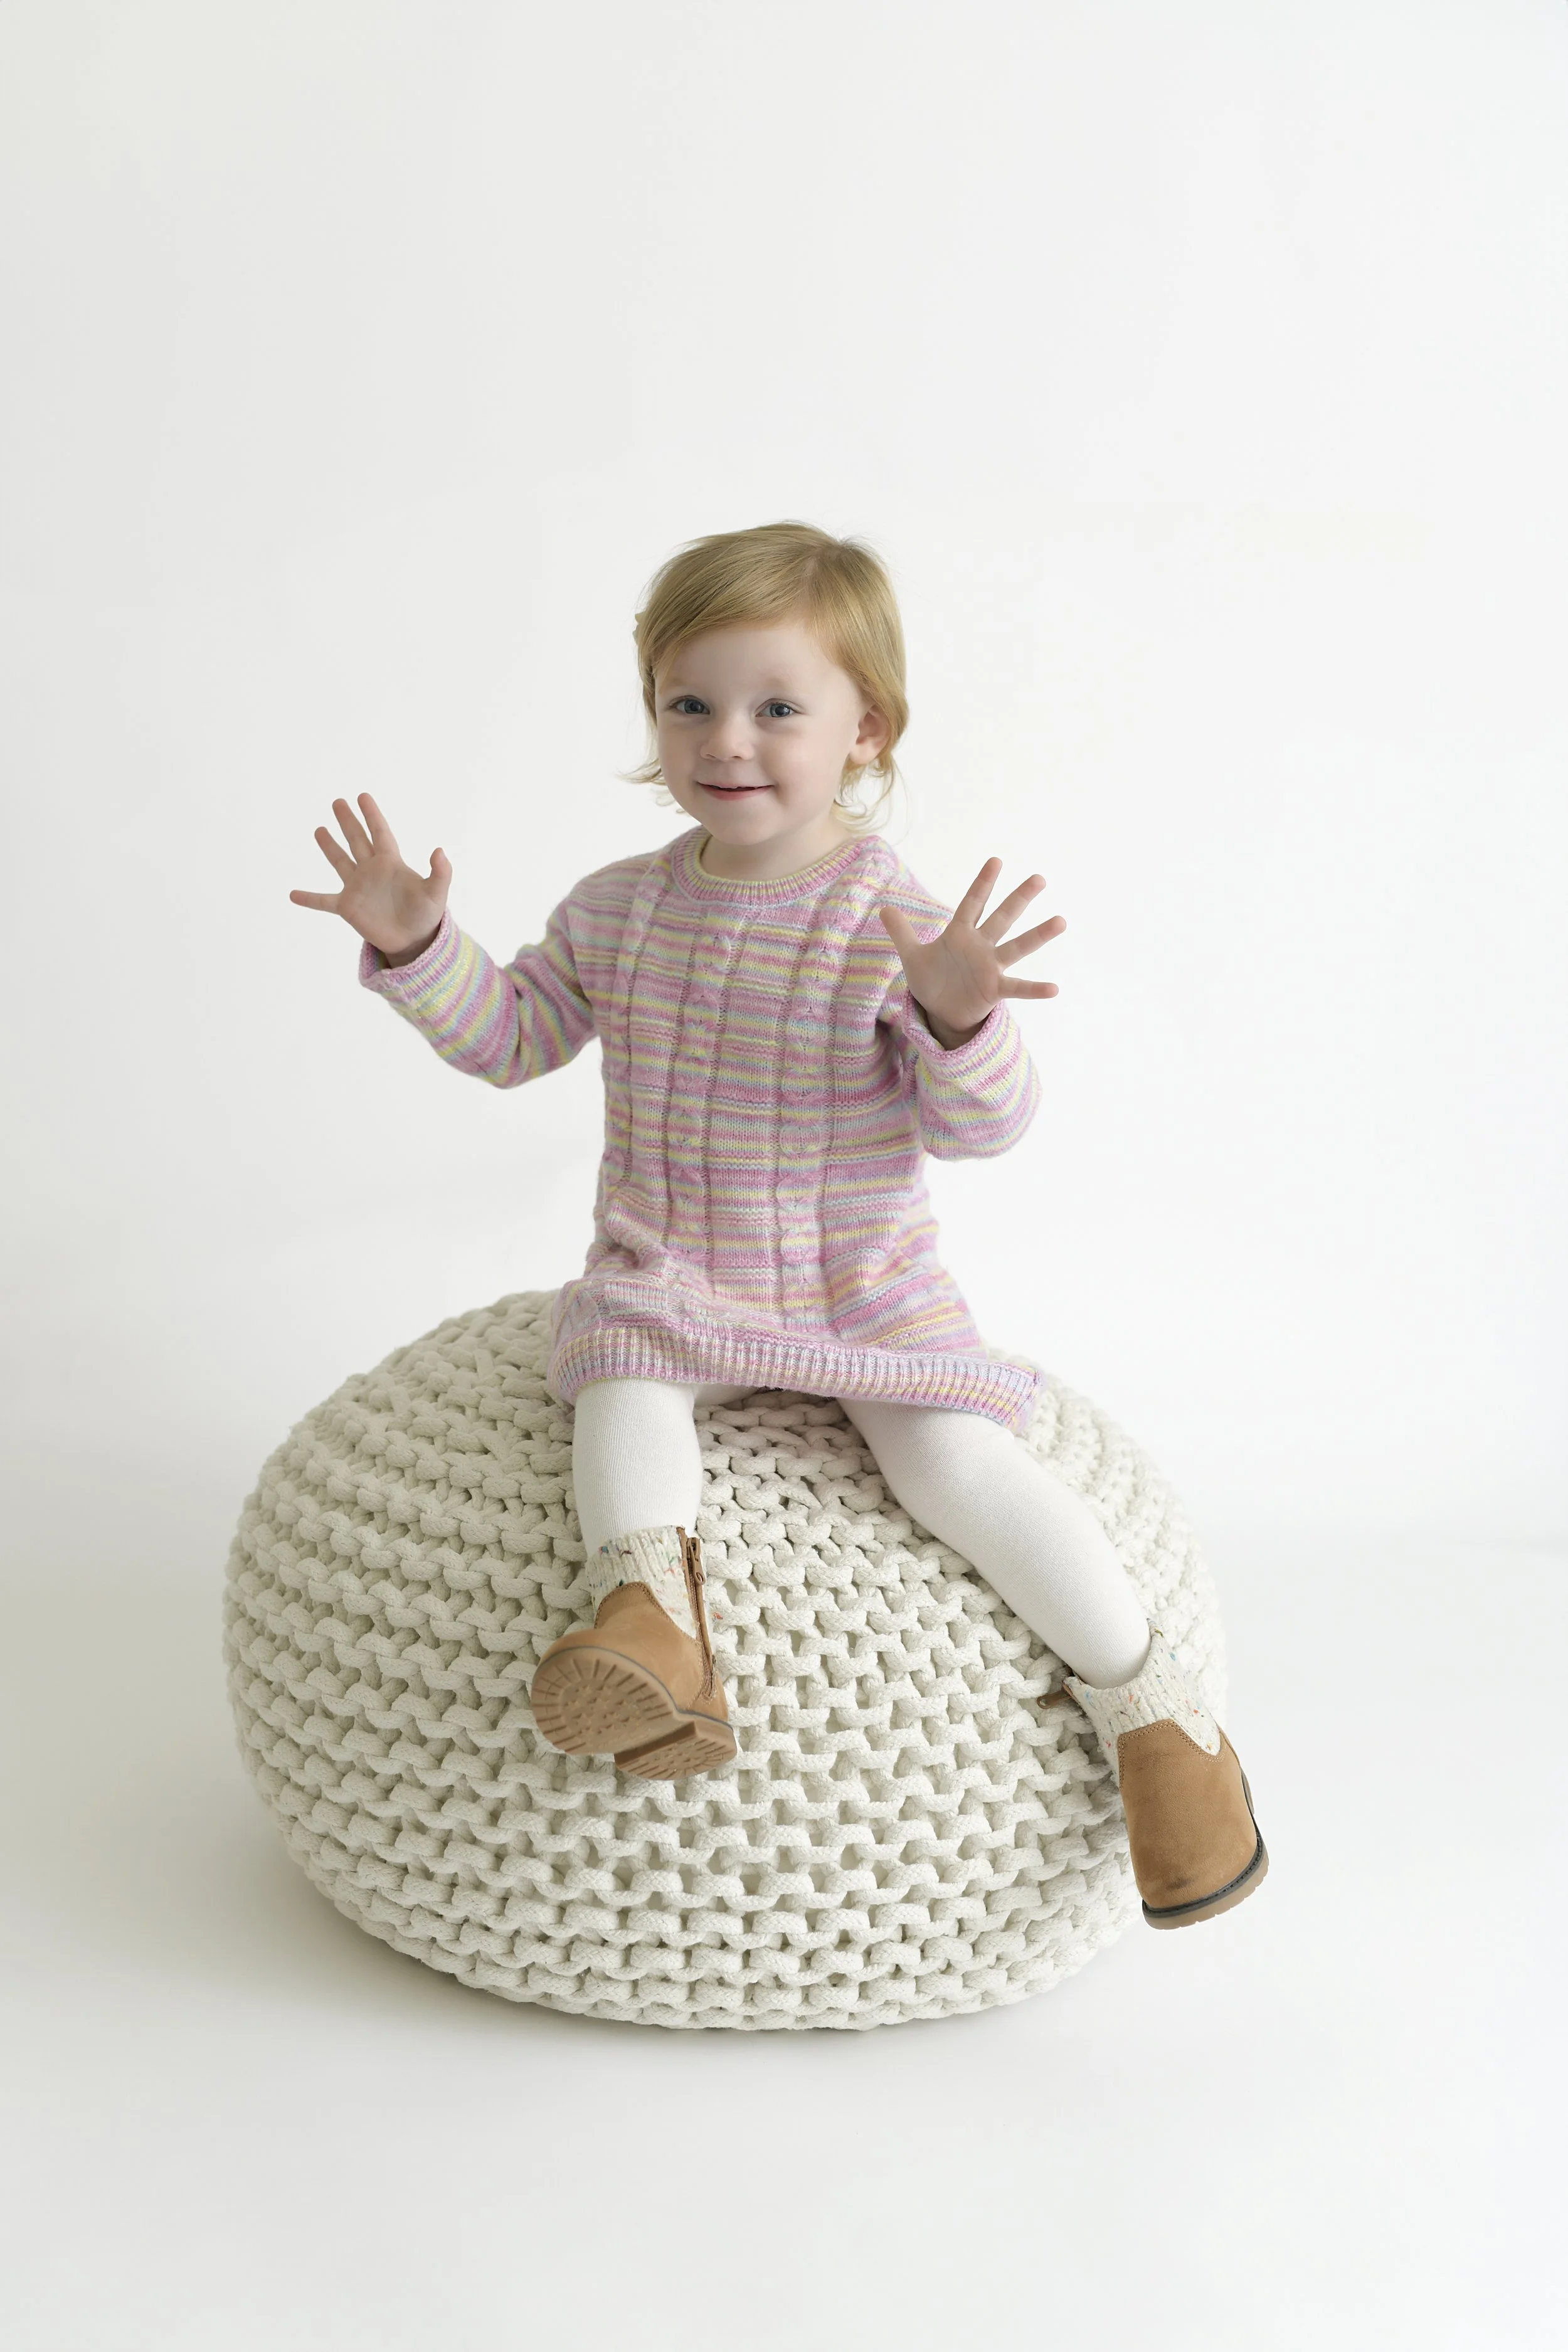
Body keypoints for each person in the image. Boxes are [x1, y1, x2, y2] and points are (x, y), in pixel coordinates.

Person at [290, 521, 1266, 1931]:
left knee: (956, 1466)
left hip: (864, 1290)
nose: (726, 741)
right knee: (620, 1382)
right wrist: (416, 947)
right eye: (688, 702)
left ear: (867, 729)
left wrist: (959, 1018)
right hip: (673, 1273)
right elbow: (513, 1038)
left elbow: (984, 1128)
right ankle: (654, 1627)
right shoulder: (618, 908)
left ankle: (1162, 1727)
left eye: (776, 708)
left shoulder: (894, 920)